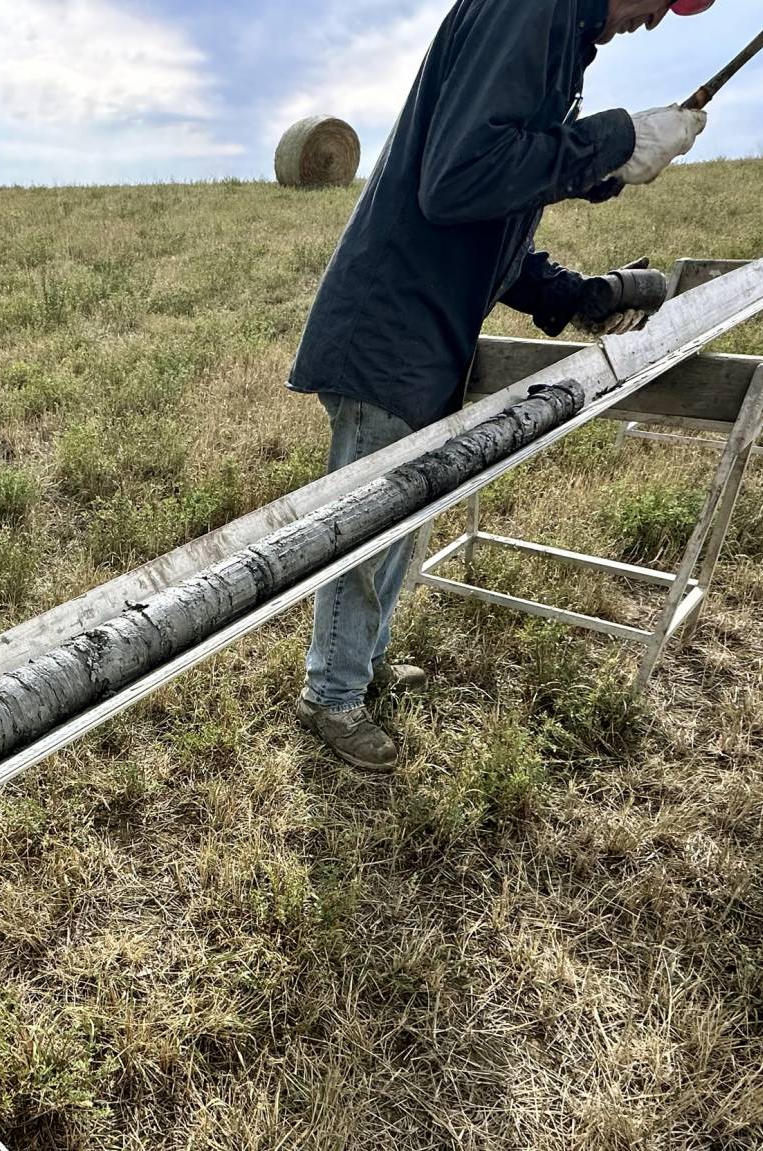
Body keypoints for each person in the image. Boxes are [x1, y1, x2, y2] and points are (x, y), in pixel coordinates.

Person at [288, 0, 714, 771]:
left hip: (421, 329)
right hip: (391, 329)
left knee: (404, 509)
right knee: (369, 526)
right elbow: (459, 183)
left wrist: (571, 293)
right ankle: (332, 693)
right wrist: (615, 140)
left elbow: (488, 213)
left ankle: (364, 665)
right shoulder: (532, 7)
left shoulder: (556, 35)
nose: (657, 19)